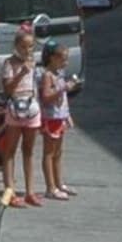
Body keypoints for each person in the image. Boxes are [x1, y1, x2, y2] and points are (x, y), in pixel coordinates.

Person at [0, 22, 44, 208]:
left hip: (31, 107)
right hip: (15, 108)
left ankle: (30, 191)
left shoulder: (33, 63)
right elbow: (8, 89)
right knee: (10, 151)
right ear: (16, 46)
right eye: (23, 46)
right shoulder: (9, 63)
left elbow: (36, 86)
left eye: (30, 46)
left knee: (29, 151)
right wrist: (20, 74)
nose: (27, 50)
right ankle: (9, 191)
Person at [37, 41, 75, 200]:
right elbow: (46, 97)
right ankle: (50, 187)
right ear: (52, 58)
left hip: (60, 116)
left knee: (58, 153)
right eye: (63, 59)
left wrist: (67, 115)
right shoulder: (47, 75)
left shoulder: (59, 74)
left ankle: (59, 183)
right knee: (49, 153)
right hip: (51, 117)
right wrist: (63, 88)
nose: (65, 63)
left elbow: (63, 99)